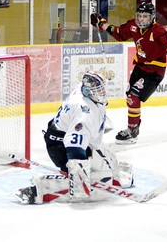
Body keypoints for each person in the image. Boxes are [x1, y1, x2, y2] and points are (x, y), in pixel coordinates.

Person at [14, 71, 133, 204]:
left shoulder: (82, 90)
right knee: (92, 191)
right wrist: (78, 174)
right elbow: (74, 144)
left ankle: (117, 178)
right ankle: (39, 190)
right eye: (97, 90)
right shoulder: (85, 112)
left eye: (101, 89)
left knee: (107, 153)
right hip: (62, 147)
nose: (102, 93)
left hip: (62, 136)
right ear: (88, 91)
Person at [90, 2, 167, 144]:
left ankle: (132, 130)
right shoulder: (133, 26)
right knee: (130, 98)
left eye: (144, 16)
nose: (141, 19)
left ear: (151, 17)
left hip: (154, 71)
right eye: (139, 16)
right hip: (139, 68)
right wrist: (101, 23)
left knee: (134, 97)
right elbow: (119, 33)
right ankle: (134, 126)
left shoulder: (158, 31)